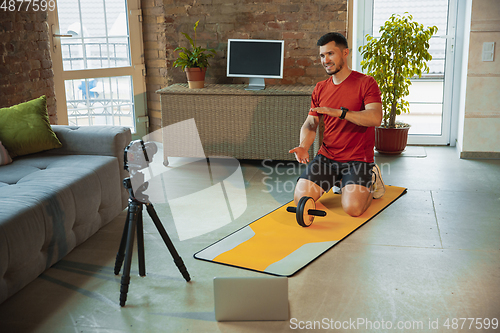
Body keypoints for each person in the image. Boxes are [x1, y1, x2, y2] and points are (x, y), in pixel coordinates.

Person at [289, 32, 386, 217]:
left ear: (345, 53)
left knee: (353, 209)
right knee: (301, 199)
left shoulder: (366, 82)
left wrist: (340, 113)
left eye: (330, 54)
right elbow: (311, 122)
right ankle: (339, 181)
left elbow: (375, 118)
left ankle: (371, 176)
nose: (326, 60)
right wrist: (303, 146)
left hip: (358, 159)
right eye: (322, 55)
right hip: (327, 157)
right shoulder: (320, 88)